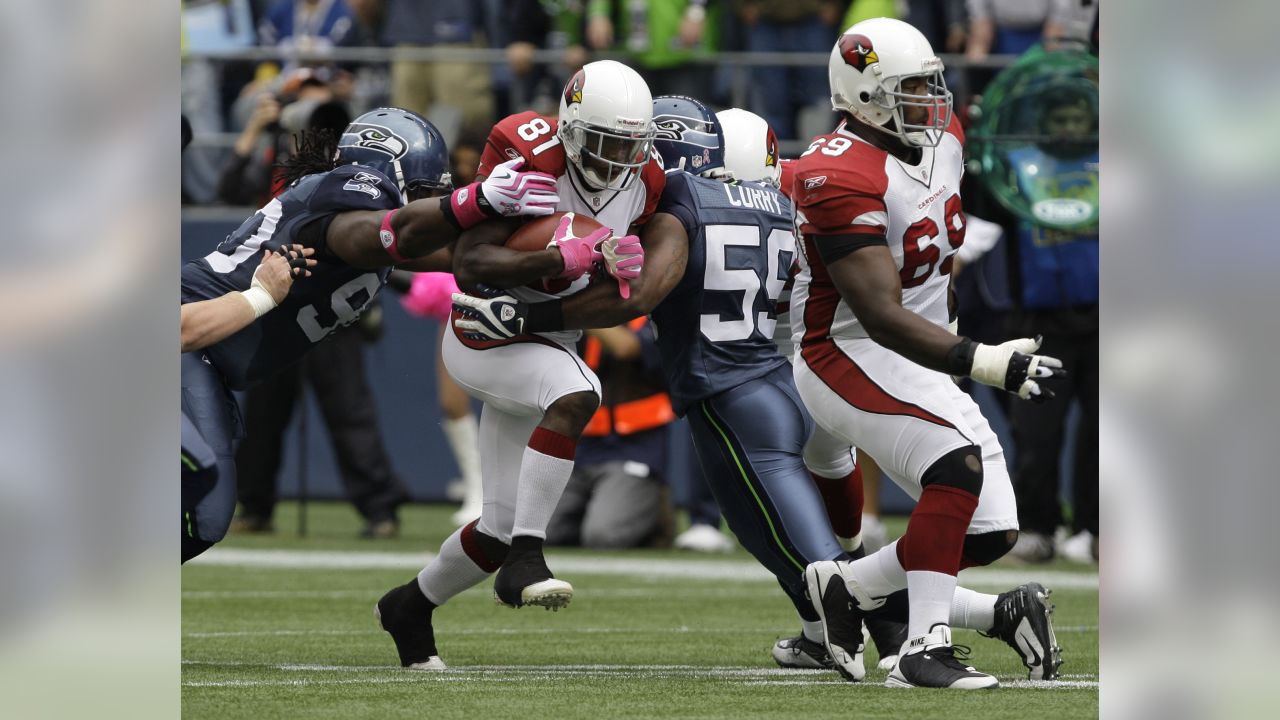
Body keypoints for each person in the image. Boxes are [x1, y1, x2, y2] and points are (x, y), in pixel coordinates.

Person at [454, 99, 1058, 683]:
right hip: (802, 379)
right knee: (824, 559)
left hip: (735, 391)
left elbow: (639, 294)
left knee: (818, 574)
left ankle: (984, 617)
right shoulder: (793, 188)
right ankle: (830, 637)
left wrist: (523, 312)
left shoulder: (682, 204)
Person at [789, 18, 1064, 688]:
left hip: (925, 352)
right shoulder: (837, 173)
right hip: (844, 352)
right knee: (955, 466)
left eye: (931, 84)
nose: (930, 100)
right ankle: (921, 649)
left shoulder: (944, 140)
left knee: (993, 529)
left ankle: (850, 588)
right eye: (911, 88)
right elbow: (880, 316)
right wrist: (986, 362)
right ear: (863, 95)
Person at [180, 106, 561, 563]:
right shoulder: (353, 199)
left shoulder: (373, 222)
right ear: (386, 170)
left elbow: (464, 254)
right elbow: (380, 233)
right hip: (181, 342)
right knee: (202, 491)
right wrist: (474, 201)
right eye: (420, 191)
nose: (426, 202)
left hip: (210, 364)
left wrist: (562, 249)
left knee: (207, 516)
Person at [371, 60, 656, 671]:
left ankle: (409, 606)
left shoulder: (646, 181)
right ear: (573, 127)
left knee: (493, 528)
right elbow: (471, 263)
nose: (617, 159)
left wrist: (612, 268)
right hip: (485, 330)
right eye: (606, 143)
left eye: (631, 145)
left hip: (547, 339)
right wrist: (556, 259)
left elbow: (626, 281)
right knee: (580, 392)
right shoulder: (531, 152)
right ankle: (529, 556)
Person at [546, 318, 676, 549]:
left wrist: (573, 309)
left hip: (634, 449)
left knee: (603, 537)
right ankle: (594, 511)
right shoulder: (583, 311)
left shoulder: (653, 312)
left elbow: (625, 347)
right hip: (581, 448)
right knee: (539, 532)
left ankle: (656, 515)